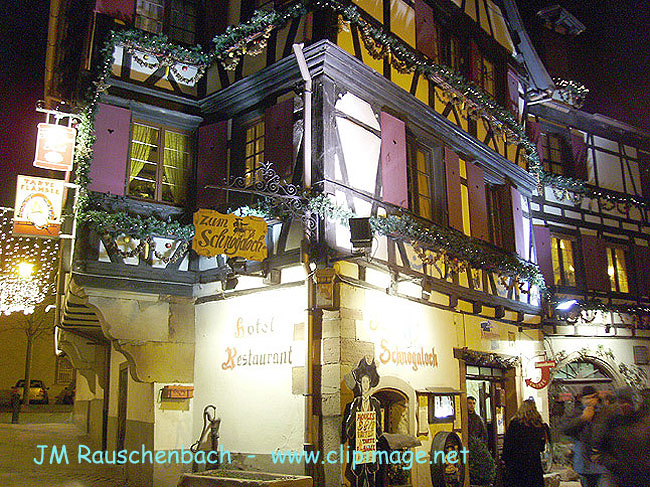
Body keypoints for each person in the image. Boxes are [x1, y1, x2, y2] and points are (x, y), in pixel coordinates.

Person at [597, 387, 650, 487]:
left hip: (644, 477)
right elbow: (600, 448)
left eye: (628, 402)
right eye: (621, 402)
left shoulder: (645, 421)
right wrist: (615, 465)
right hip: (618, 477)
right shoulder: (612, 422)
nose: (625, 406)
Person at [344, 357, 384, 487]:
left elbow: (379, 428)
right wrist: (357, 421)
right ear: (360, 384)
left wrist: (373, 426)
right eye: (363, 382)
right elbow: (349, 428)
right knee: (358, 480)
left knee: (371, 478)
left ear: (370, 383)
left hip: (370, 447)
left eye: (367, 382)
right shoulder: (356, 403)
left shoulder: (375, 403)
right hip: (359, 447)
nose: (365, 385)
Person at [562, 385, 607, 487]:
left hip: (601, 462)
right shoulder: (576, 412)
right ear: (582, 399)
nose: (590, 401)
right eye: (586, 398)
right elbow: (565, 429)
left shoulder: (604, 412)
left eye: (592, 398)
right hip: (583, 462)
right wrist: (582, 419)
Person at [501, 398, 546, 487]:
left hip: (517, 464)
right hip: (534, 464)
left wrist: (505, 459)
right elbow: (541, 447)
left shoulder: (515, 424)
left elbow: (508, 444)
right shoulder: (538, 425)